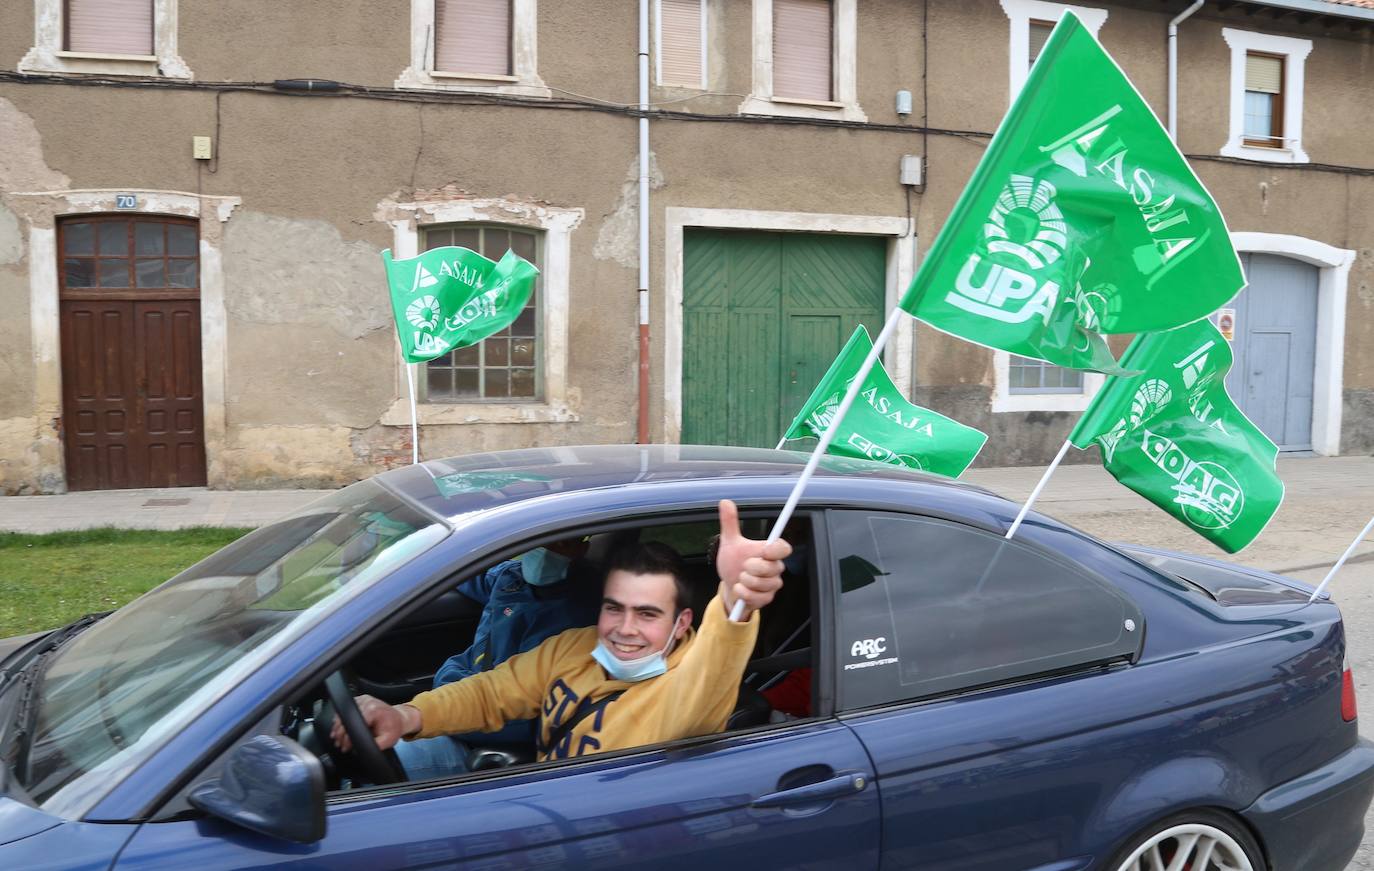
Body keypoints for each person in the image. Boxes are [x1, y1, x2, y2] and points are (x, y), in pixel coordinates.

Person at [335, 499, 790, 767]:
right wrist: (406, 716)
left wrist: (736, 599)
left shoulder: (682, 690)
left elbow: (714, 667)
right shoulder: (577, 646)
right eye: (615, 608)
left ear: (682, 623)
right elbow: (492, 694)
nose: (625, 629)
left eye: (648, 614)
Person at [392, 537, 600, 779]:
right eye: (540, 540)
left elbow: (527, 716)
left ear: (583, 549)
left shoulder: (579, 622)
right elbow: (467, 573)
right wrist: (419, 549)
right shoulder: (511, 578)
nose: (546, 549)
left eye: (563, 543)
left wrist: (443, 710)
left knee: (388, 755)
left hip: (484, 740)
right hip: (457, 701)